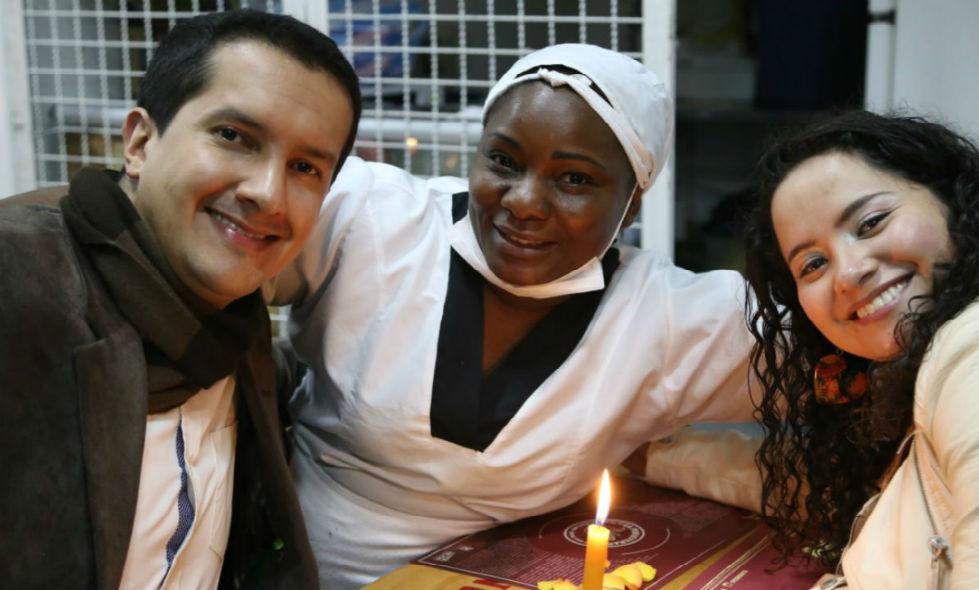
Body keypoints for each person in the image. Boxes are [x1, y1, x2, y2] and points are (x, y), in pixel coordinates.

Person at [268, 43, 756, 587]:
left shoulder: (667, 317)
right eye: (503, 160)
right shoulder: (371, 217)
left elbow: (836, 354)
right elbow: (208, 271)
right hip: (291, 565)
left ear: (632, 203)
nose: (524, 201)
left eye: (574, 180)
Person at [0, 10, 360, 590]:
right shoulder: (20, 282)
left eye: (304, 167)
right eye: (234, 137)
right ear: (140, 142)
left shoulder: (233, 327)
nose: (267, 194)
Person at [654, 111, 979, 589]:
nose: (848, 274)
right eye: (814, 263)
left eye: (871, 223)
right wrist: (645, 455)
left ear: (953, 197)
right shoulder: (919, 357)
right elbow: (838, 487)